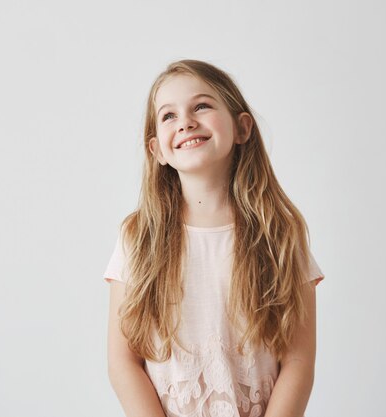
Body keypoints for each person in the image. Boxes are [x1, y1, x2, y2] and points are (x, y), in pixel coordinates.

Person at [103, 59, 325, 417]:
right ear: (156, 150)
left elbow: (298, 361)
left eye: (202, 106)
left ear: (242, 128)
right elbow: (122, 362)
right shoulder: (137, 237)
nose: (186, 121)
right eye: (168, 116)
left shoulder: (281, 234)